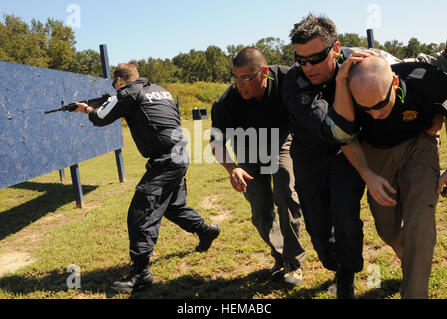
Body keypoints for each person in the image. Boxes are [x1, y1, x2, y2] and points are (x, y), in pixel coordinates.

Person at [74, 62, 221, 293]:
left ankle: (141, 274)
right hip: (180, 153)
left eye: (116, 84)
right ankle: (206, 230)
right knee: (171, 206)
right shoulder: (161, 90)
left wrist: (85, 109)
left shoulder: (128, 92)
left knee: (140, 212)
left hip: (165, 159)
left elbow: (101, 118)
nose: (116, 88)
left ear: (120, 81)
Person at [332, 55, 447, 299]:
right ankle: (412, 256)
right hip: (375, 153)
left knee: (419, 220)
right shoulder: (348, 93)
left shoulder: (427, 79)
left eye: (380, 104)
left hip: (420, 145)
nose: (374, 115)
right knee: (387, 229)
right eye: (366, 108)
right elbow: (344, 138)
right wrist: (367, 175)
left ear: (395, 83)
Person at [281, 14, 374, 298]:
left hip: (351, 153)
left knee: (345, 215)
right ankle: (332, 262)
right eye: (301, 59)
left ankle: (347, 274)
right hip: (311, 152)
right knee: (318, 227)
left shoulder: (360, 62)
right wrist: (343, 81)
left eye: (316, 58)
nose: (307, 67)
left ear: (336, 48)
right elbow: (331, 129)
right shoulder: (293, 82)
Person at [210, 48, 306, 286]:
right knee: (260, 210)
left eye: (246, 77)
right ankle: (281, 256)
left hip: (282, 141)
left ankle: (294, 263)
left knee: (285, 193)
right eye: (236, 77)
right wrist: (232, 167)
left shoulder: (287, 80)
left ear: (264, 72)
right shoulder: (227, 101)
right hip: (248, 150)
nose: (240, 84)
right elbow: (215, 140)